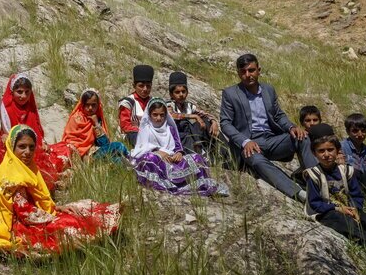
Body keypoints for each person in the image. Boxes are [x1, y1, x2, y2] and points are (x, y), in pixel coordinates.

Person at [0, 125, 121, 256]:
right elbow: (26, 213)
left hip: (31, 214)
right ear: (11, 147)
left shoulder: (26, 167)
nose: (27, 152)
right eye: (22, 147)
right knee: (69, 224)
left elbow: (37, 200)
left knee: (81, 209)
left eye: (31, 147)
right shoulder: (11, 176)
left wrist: (56, 208)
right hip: (16, 224)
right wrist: (55, 215)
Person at [303, 125, 366, 271]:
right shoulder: (313, 175)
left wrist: (356, 208)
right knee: (351, 227)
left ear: (337, 151)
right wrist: (337, 208)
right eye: (321, 151)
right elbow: (315, 203)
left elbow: (356, 194)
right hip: (328, 212)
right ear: (314, 153)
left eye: (330, 150)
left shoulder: (346, 171)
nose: (326, 154)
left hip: (349, 208)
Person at [219, 54, 314, 201]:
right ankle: (299, 194)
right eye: (243, 72)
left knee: (303, 137)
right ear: (238, 73)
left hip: (272, 140)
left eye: (251, 70)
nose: (247, 75)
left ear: (259, 70)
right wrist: (245, 142)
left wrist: (291, 127)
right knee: (255, 159)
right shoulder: (230, 94)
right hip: (250, 143)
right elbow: (225, 123)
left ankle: (315, 183)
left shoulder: (268, 90)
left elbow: (278, 116)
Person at [131, 98, 229, 197]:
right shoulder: (146, 129)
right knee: (150, 158)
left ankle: (194, 184)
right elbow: (142, 148)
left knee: (196, 158)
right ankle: (163, 184)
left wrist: (179, 153)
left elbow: (177, 146)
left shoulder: (170, 129)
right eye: (155, 115)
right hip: (157, 159)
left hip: (172, 159)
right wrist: (157, 152)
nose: (158, 118)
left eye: (162, 115)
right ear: (149, 115)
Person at [0, 73, 73, 189]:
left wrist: (43, 142)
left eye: (27, 92)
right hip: (18, 152)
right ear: (12, 92)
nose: (23, 96)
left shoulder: (30, 108)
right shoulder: (5, 110)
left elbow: (37, 130)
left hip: (35, 147)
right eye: (19, 92)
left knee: (68, 147)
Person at [166, 71, 227, 165]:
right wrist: (193, 116)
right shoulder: (169, 104)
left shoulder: (189, 106)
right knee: (186, 122)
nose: (181, 94)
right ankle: (198, 153)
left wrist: (214, 122)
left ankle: (224, 153)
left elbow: (206, 114)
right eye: (177, 92)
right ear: (171, 94)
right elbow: (172, 115)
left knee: (207, 122)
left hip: (193, 136)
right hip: (179, 138)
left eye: (183, 91)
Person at [61, 88, 129, 163]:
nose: (90, 108)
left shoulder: (97, 118)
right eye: (87, 105)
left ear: (98, 105)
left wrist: (96, 123)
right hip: (83, 157)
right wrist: (83, 153)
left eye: (93, 105)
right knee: (119, 146)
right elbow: (69, 141)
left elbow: (105, 143)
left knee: (118, 161)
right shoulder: (76, 119)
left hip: (97, 153)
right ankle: (132, 157)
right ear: (82, 105)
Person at [118, 64, 154, 144]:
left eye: (148, 86)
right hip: (132, 134)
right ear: (134, 86)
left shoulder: (154, 102)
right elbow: (125, 125)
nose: (145, 89)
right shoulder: (127, 102)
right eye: (141, 86)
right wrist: (142, 131)